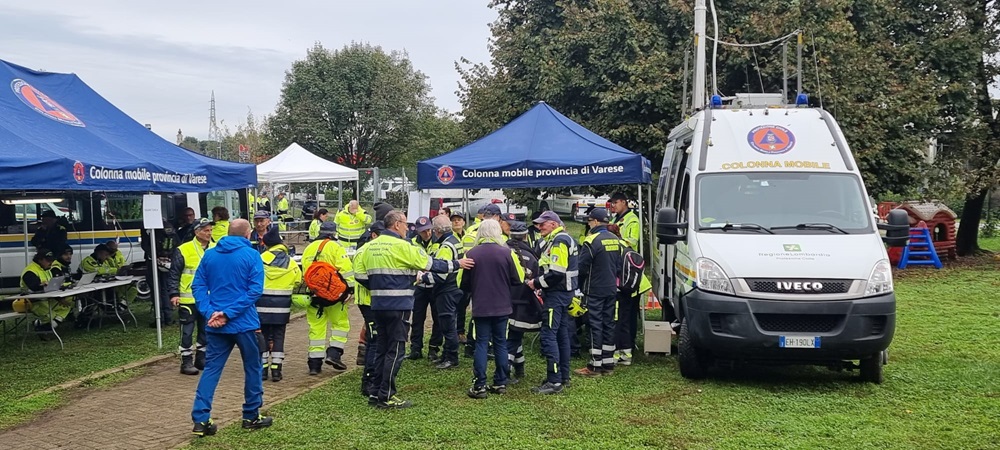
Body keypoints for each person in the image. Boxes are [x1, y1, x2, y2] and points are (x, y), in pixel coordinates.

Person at [354, 210, 473, 409]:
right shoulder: (403, 246)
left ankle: (375, 392)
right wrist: (457, 264)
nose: (407, 228)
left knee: (382, 348)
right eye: (405, 224)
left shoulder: (370, 247)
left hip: (377, 305)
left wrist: (379, 286)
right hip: (399, 305)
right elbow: (431, 264)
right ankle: (387, 396)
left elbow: (359, 275)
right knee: (396, 350)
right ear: (397, 224)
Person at [190, 219, 270, 436]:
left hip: (216, 325)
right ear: (248, 234)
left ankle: (201, 419)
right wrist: (228, 313)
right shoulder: (252, 255)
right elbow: (254, 291)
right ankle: (251, 415)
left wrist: (210, 312)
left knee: (212, 370)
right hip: (244, 323)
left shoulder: (210, 254)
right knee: (252, 367)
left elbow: (197, 285)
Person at [458, 220, 523, 399]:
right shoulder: (507, 253)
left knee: (481, 343)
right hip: (502, 306)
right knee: (501, 343)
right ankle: (500, 382)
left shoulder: (471, 253)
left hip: (481, 306)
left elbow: (462, 283)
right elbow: (519, 279)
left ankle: (479, 385)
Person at [525, 211, 578, 394]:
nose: (539, 227)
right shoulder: (562, 239)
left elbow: (556, 272)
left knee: (549, 335)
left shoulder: (559, 241)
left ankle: (554, 381)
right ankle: (563, 376)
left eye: (543, 224)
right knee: (562, 334)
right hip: (563, 293)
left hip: (556, 295)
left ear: (554, 224)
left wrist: (535, 283)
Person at [300, 221, 355, 375]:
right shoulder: (335, 247)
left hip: (315, 295)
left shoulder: (308, 248)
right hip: (334, 296)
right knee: (340, 324)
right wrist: (350, 290)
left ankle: (314, 364)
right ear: (334, 233)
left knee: (316, 329)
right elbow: (346, 269)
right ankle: (334, 354)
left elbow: (305, 271)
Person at [575, 208, 623, 377]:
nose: (589, 225)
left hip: (594, 289)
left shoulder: (591, 240)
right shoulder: (616, 239)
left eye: (589, 222)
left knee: (595, 324)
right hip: (611, 288)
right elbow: (618, 265)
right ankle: (608, 364)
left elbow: (582, 268)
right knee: (608, 324)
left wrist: (577, 286)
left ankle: (594, 366)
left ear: (594, 221)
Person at [168, 218, 215, 376]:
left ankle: (201, 358)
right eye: (205, 230)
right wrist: (174, 294)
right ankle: (186, 361)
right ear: (196, 232)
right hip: (188, 298)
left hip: (208, 299)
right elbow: (174, 274)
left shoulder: (215, 248)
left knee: (206, 329)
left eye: (210, 230)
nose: (209, 233)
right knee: (187, 331)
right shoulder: (183, 250)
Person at [418, 215, 464, 369]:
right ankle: (446, 354)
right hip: (454, 287)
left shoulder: (445, 247)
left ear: (436, 230)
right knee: (449, 323)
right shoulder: (455, 241)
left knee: (448, 325)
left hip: (446, 290)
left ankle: (451, 357)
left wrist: (423, 278)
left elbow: (440, 274)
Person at [257, 227, 302, 383]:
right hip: (282, 307)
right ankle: (276, 370)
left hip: (261, 305)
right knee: (278, 336)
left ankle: (262, 370)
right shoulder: (290, 262)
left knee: (261, 335)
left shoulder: (260, 259)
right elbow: (298, 280)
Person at [460, 204, 503, 357]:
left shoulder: (471, 230)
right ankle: (477, 345)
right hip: (492, 281)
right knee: (491, 324)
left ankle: (473, 345)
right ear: (497, 217)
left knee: (478, 316)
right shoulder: (497, 231)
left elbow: (467, 257)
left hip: (476, 280)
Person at [607, 223, 652, 367]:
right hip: (635, 287)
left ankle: (615, 354)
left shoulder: (613, 247)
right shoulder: (625, 245)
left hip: (622, 289)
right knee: (626, 321)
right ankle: (627, 354)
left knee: (616, 322)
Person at [505, 221, 541, 384]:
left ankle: (520, 368)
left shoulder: (503, 251)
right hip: (524, 301)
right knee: (514, 336)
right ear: (526, 236)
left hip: (505, 299)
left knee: (514, 334)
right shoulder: (532, 256)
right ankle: (505, 372)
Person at [407, 216, 443, 361]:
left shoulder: (439, 242)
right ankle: (416, 349)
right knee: (417, 318)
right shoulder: (412, 243)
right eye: (423, 231)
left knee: (438, 318)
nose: (427, 234)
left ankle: (434, 349)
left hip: (435, 285)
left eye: (428, 230)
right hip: (419, 286)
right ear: (417, 231)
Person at [354, 221, 383, 397]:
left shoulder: (375, 250)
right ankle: (368, 380)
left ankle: (373, 377)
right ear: (373, 235)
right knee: (375, 339)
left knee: (376, 339)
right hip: (367, 301)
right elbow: (360, 277)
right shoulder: (364, 251)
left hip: (377, 300)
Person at [20, 250, 72, 332]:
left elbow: (51, 287)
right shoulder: (29, 271)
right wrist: (42, 284)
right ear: (40, 259)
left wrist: (60, 298)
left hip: (48, 299)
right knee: (51, 316)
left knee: (68, 303)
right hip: (34, 302)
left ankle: (42, 324)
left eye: (52, 260)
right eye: (48, 260)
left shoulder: (47, 269)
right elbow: (34, 287)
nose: (51, 262)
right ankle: (48, 326)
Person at [143, 220, 179, 327]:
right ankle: (168, 317)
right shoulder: (171, 228)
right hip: (168, 263)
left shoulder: (151, 228)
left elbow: (145, 245)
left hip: (154, 263)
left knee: (156, 291)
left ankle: (160, 319)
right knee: (165, 290)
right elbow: (178, 244)